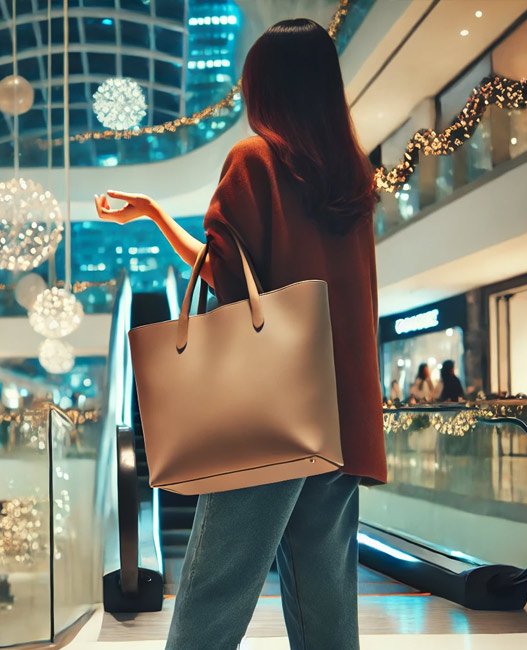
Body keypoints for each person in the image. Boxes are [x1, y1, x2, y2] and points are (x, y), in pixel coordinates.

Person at [95, 19, 384, 650]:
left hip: (268, 417)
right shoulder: (351, 179)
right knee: (326, 611)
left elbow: (226, 280)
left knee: (213, 598)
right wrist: (157, 214)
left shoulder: (255, 161)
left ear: (267, 89)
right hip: (337, 420)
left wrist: (153, 220)